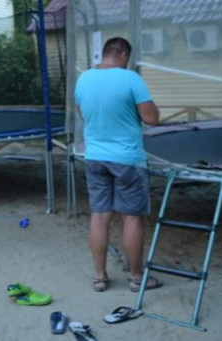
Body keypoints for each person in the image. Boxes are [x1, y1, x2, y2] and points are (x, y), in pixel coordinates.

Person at [74, 37, 162, 293]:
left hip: (94, 157)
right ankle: (136, 278)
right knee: (131, 217)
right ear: (123, 54)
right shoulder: (131, 79)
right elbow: (152, 118)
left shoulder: (84, 79)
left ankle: (100, 277)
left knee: (100, 216)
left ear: (104, 53)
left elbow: (83, 113)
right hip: (127, 159)